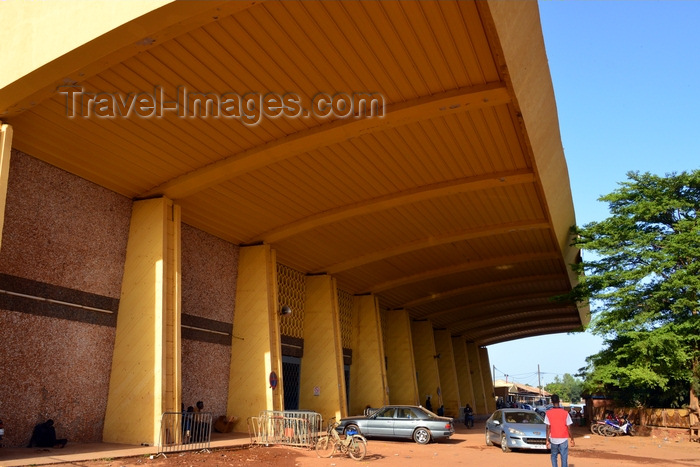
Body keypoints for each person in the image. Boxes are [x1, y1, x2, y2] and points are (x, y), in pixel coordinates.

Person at [544, 394, 574, 467]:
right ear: (559, 401)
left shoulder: (548, 413)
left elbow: (548, 428)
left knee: (554, 456)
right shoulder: (565, 413)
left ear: (551, 402)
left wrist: (547, 440)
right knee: (564, 457)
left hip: (553, 438)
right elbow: (569, 427)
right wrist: (572, 438)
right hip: (563, 438)